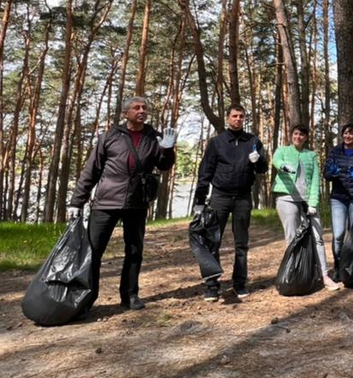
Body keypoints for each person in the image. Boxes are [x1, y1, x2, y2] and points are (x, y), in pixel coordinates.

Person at [69, 96, 176, 312]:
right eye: (136, 108)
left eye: (144, 108)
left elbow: (164, 165)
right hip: (106, 201)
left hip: (137, 202)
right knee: (94, 252)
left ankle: (130, 296)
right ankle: (85, 300)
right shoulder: (109, 136)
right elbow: (92, 170)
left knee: (134, 251)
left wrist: (167, 149)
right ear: (126, 113)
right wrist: (77, 202)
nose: (142, 111)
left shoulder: (154, 137)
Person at [194, 104, 268, 301]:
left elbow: (263, 168)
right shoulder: (217, 142)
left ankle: (239, 283)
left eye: (241, 116)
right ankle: (212, 285)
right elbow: (205, 172)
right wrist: (200, 201)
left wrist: (258, 159)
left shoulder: (252, 141)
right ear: (227, 118)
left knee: (241, 243)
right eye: (234, 116)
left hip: (243, 197)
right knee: (212, 241)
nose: (238, 119)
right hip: (220, 196)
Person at [271, 123, 340, 291]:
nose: (298, 137)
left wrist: (313, 203)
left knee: (317, 237)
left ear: (306, 137)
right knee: (292, 238)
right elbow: (276, 160)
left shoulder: (312, 155)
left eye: (302, 135)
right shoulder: (283, 150)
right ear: (291, 135)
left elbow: (316, 180)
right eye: (295, 134)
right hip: (286, 198)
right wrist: (283, 166)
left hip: (307, 201)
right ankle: (294, 274)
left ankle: (324, 276)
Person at [325, 122, 353, 279]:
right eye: (346, 133)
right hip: (338, 198)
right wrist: (331, 172)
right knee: (339, 234)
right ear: (342, 135)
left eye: (352, 133)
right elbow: (326, 175)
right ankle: (337, 267)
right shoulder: (335, 152)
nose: (348, 136)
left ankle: (352, 266)